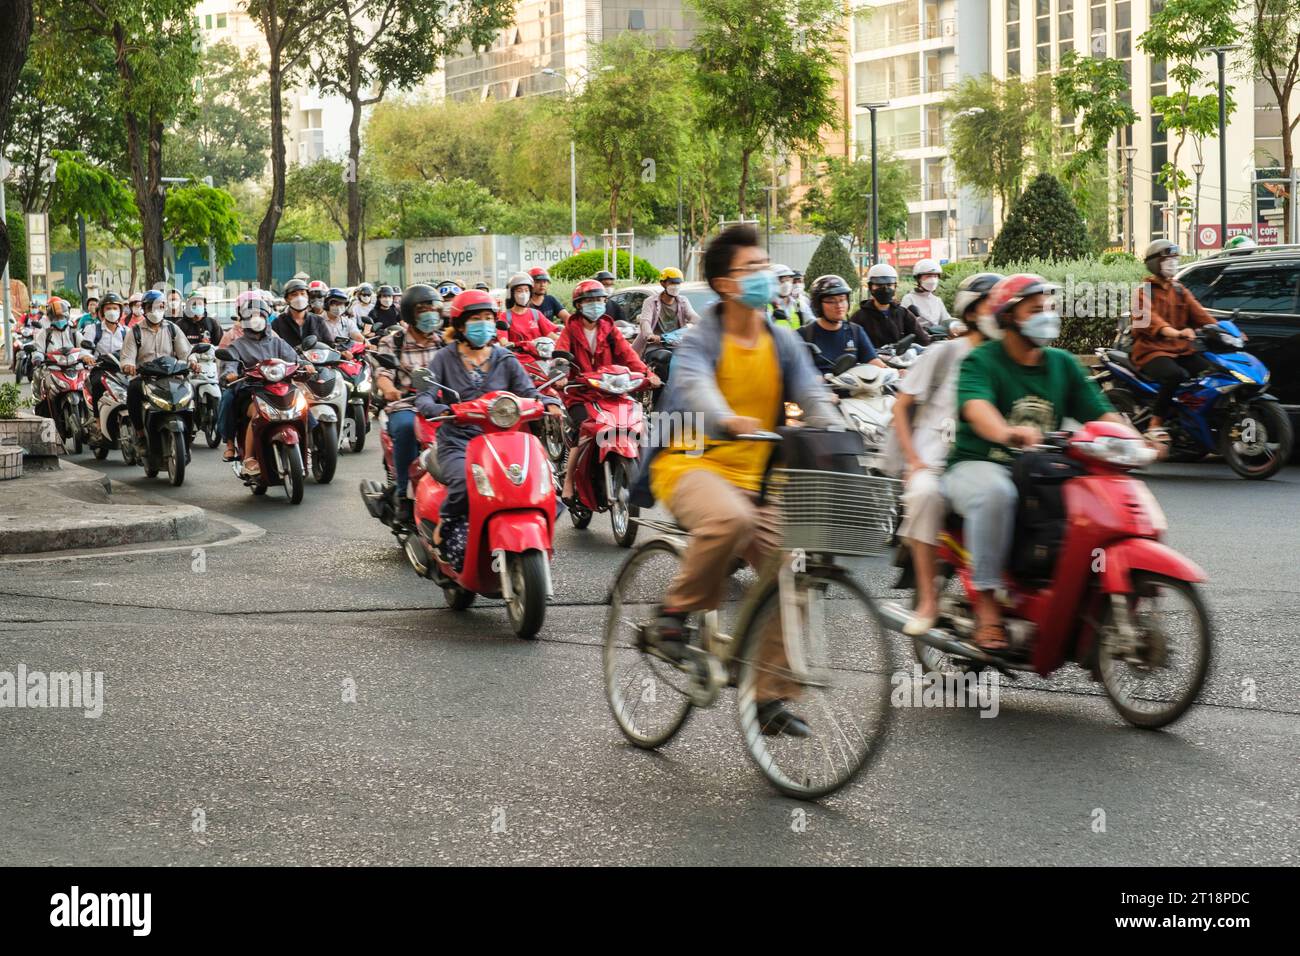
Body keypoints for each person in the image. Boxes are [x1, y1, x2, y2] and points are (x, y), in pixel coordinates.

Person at [633, 224, 839, 737]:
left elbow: (812, 394)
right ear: (724, 284)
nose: (764, 276)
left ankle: (770, 694)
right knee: (729, 518)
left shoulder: (782, 340)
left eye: (765, 266)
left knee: (792, 562)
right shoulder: (700, 339)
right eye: (752, 269)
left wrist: (834, 424)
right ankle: (672, 618)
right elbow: (695, 387)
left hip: (756, 474)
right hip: (691, 462)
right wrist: (726, 417)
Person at [944, 273, 1128, 650]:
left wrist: (1136, 442)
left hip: (1039, 469)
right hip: (980, 464)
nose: (1048, 316)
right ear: (1010, 317)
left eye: (1050, 308)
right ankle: (988, 608)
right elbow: (977, 408)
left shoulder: (1062, 363)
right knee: (997, 493)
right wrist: (1007, 432)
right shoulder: (981, 360)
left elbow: (1100, 412)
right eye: (1036, 310)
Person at [397, 290, 561, 555]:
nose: (483, 324)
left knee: (543, 484)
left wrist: (549, 402)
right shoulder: (444, 358)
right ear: (460, 325)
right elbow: (425, 395)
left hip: (504, 443)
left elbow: (529, 392)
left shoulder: (505, 359)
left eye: (488, 318)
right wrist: (434, 406)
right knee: (464, 482)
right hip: (459, 441)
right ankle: (446, 526)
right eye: (476, 319)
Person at [890, 272, 1002, 636]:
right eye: (991, 303)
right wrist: (913, 460)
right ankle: (927, 598)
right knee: (924, 494)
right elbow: (901, 406)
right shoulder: (944, 353)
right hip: (934, 459)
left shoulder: (1008, 356)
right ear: (971, 311)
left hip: (986, 461)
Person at [556, 280, 658, 503]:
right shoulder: (570, 330)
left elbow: (629, 355)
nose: (596, 305)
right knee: (581, 430)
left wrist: (647, 374)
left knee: (640, 420)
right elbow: (561, 355)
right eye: (590, 301)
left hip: (612, 391)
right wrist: (562, 376)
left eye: (600, 300)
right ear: (579, 305)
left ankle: (644, 475)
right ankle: (569, 481)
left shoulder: (609, 328)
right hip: (580, 393)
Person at [1130, 239, 1218, 452]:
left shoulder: (1179, 289)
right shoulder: (1142, 292)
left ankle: (1188, 417)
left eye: (1174, 259)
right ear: (1154, 263)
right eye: (1167, 259)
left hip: (1180, 349)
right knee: (1174, 375)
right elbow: (1151, 322)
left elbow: (1200, 313)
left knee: (1210, 371)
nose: (1172, 263)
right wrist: (1176, 332)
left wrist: (1223, 329)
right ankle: (1156, 423)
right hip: (1151, 351)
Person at [217, 294, 304, 474]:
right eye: (251, 316)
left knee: (303, 406)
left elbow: (295, 359)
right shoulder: (237, 344)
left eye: (261, 315)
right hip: (250, 391)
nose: (257, 320)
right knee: (257, 413)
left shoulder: (277, 341)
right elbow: (229, 365)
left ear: (267, 318)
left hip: (280, 389)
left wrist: (307, 366)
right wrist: (230, 374)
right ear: (245, 320)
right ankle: (248, 457)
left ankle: (310, 448)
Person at [119, 290, 194, 450]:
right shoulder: (135, 332)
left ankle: (191, 429)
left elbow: (186, 353)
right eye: (151, 307)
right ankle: (139, 434)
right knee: (132, 391)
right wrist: (128, 365)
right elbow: (127, 357)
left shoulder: (173, 329)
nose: (155, 311)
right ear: (144, 310)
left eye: (159, 307)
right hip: (145, 377)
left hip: (172, 376)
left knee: (191, 390)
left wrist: (193, 362)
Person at [798, 274, 884, 373]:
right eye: (831, 301)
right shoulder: (804, 335)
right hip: (818, 388)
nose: (839, 305)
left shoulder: (855, 331)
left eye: (842, 299)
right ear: (818, 305)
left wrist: (893, 372)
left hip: (852, 387)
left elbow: (872, 360)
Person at [851, 263, 932, 348]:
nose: (885, 289)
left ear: (895, 287)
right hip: (872, 361)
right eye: (879, 285)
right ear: (870, 287)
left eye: (889, 285)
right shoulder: (859, 318)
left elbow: (923, 340)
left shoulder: (903, 314)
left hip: (900, 360)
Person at [632, 266, 700, 355]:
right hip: (656, 345)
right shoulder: (650, 302)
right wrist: (650, 335)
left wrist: (705, 324)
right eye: (672, 283)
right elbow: (645, 321)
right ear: (663, 283)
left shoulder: (683, 301)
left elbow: (692, 316)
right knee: (664, 358)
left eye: (678, 283)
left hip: (677, 345)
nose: (676, 286)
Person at [85, 293, 129, 411]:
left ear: (120, 311)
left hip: (122, 369)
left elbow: (134, 351)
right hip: (101, 369)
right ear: (102, 311)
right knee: (98, 384)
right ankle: (98, 419)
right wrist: (87, 357)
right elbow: (85, 350)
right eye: (108, 308)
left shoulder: (126, 331)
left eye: (115, 308)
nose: (112, 311)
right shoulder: (93, 329)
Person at [499, 272, 559, 350]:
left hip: (539, 356)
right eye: (519, 291)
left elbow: (550, 335)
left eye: (526, 290)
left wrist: (564, 341)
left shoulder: (536, 314)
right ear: (512, 294)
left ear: (530, 293)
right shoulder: (505, 316)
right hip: (517, 358)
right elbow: (504, 343)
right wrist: (520, 344)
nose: (524, 294)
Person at [272, 278, 331, 349]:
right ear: (286, 299)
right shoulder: (277, 323)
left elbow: (329, 345)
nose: (299, 297)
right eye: (294, 294)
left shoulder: (318, 321)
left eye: (302, 294)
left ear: (308, 297)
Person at [900, 258, 953, 333]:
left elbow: (946, 320)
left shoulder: (937, 300)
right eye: (928, 276)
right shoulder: (909, 298)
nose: (932, 280)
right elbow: (904, 323)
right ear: (918, 278)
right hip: (918, 341)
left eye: (935, 276)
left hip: (939, 339)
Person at [770, 264, 805, 329]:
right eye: (782, 280)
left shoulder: (797, 304)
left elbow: (811, 322)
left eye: (788, 279)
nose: (786, 284)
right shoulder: (765, 307)